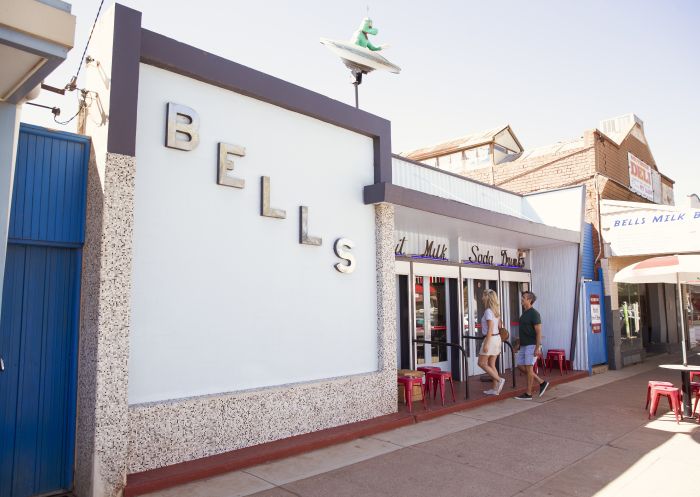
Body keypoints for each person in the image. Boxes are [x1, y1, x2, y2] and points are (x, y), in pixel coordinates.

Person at [514, 291, 549, 400]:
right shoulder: (524, 313)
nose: (522, 299)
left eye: (523, 297)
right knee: (519, 365)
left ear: (529, 300)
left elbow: (538, 332)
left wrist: (537, 348)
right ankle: (541, 382)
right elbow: (524, 331)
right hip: (524, 345)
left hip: (531, 345)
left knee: (529, 369)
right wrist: (518, 344)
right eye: (522, 297)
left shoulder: (534, 313)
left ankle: (528, 394)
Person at [478, 289, 506, 395]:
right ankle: (495, 389)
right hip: (497, 338)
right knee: (491, 364)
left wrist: (486, 343)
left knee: (481, 363)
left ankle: (499, 380)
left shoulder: (488, 311)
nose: (482, 298)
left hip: (490, 338)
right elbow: (500, 326)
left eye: (483, 296)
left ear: (487, 297)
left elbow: (490, 328)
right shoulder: (496, 311)